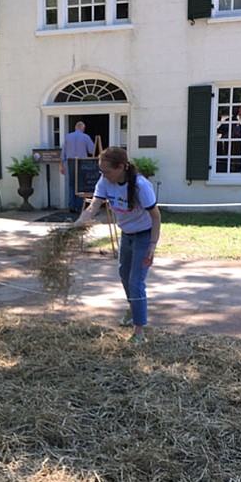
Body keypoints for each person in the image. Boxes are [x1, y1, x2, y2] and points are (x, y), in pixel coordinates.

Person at [74, 146, 161, 342]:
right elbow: (93, 207)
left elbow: (156, 216)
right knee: (123, 275)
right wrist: (75, 227)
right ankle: (133, 308)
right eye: (101, 171)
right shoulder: (105, 181)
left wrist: (152, 244)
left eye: (107, 171)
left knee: (136, 281)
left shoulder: (140, 186)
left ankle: (139, 332)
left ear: (121, 167)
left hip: (144, 236)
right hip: (127, 235)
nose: (103, 175)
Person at [60, 121, 94, 213]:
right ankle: (79, 207)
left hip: (70, 161)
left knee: (72, 183)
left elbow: (63, 152)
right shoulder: (86, 137)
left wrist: (62, 166)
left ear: (75, 127)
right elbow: (92, 150)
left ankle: (71, 205)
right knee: (81, 184)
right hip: (81, 162)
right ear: (83, 128)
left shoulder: (68, 137)